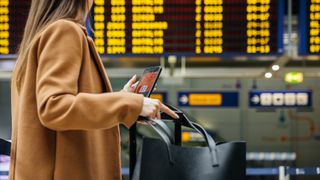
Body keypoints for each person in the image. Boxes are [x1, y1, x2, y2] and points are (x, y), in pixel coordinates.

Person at [9, 0, 178, 179]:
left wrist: (122, 99)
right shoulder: (64, 30)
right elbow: (54, 107)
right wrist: (127, 104)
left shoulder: (38, 38)